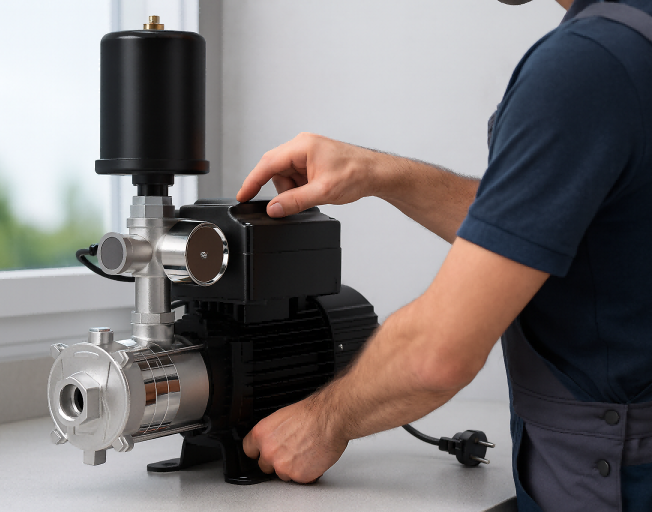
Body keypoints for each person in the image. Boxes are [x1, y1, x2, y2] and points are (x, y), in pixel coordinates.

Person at [235, 1, 652, 511]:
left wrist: (322, 421)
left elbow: (437, 355)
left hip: (613, 486)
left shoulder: (587, 64)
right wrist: (379, 173)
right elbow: (548, 223)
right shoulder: (632, 42)